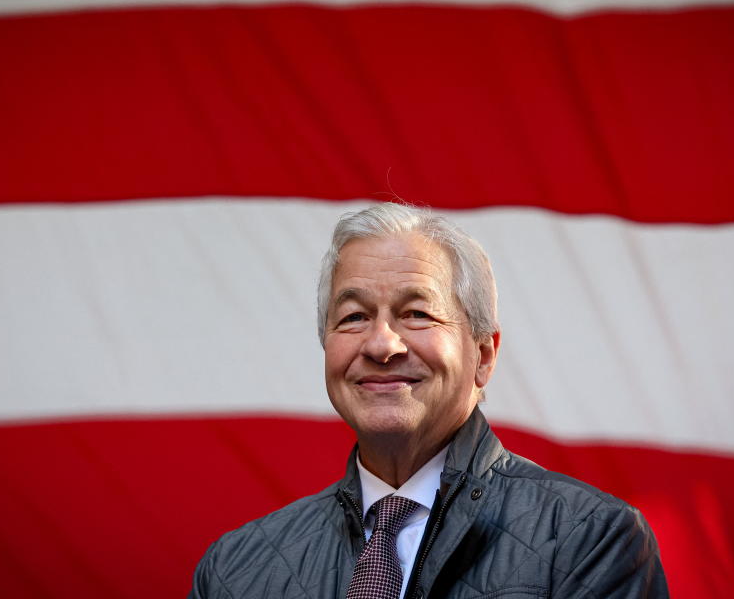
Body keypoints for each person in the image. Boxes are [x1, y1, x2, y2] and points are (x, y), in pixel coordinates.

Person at [189, 203, 667, 598]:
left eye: (416, 313)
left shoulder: (590, 541)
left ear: (483, 357)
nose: (381, 345)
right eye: (354, 317)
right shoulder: (234, 572)